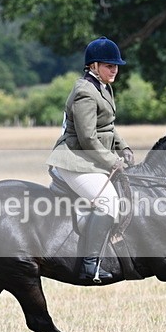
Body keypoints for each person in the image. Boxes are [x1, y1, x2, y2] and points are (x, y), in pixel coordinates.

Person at [46, 37, 134, 282]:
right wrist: (111, 161)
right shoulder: (85, 91)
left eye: (116, 65)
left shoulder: (103, 87)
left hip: (90, 160)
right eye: (109, 65)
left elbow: (107, 127)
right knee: (107, 202)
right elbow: (87, 137)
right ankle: (90, 264)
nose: (114, 69)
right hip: (74, 161)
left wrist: (123, 146)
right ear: (94, 66)